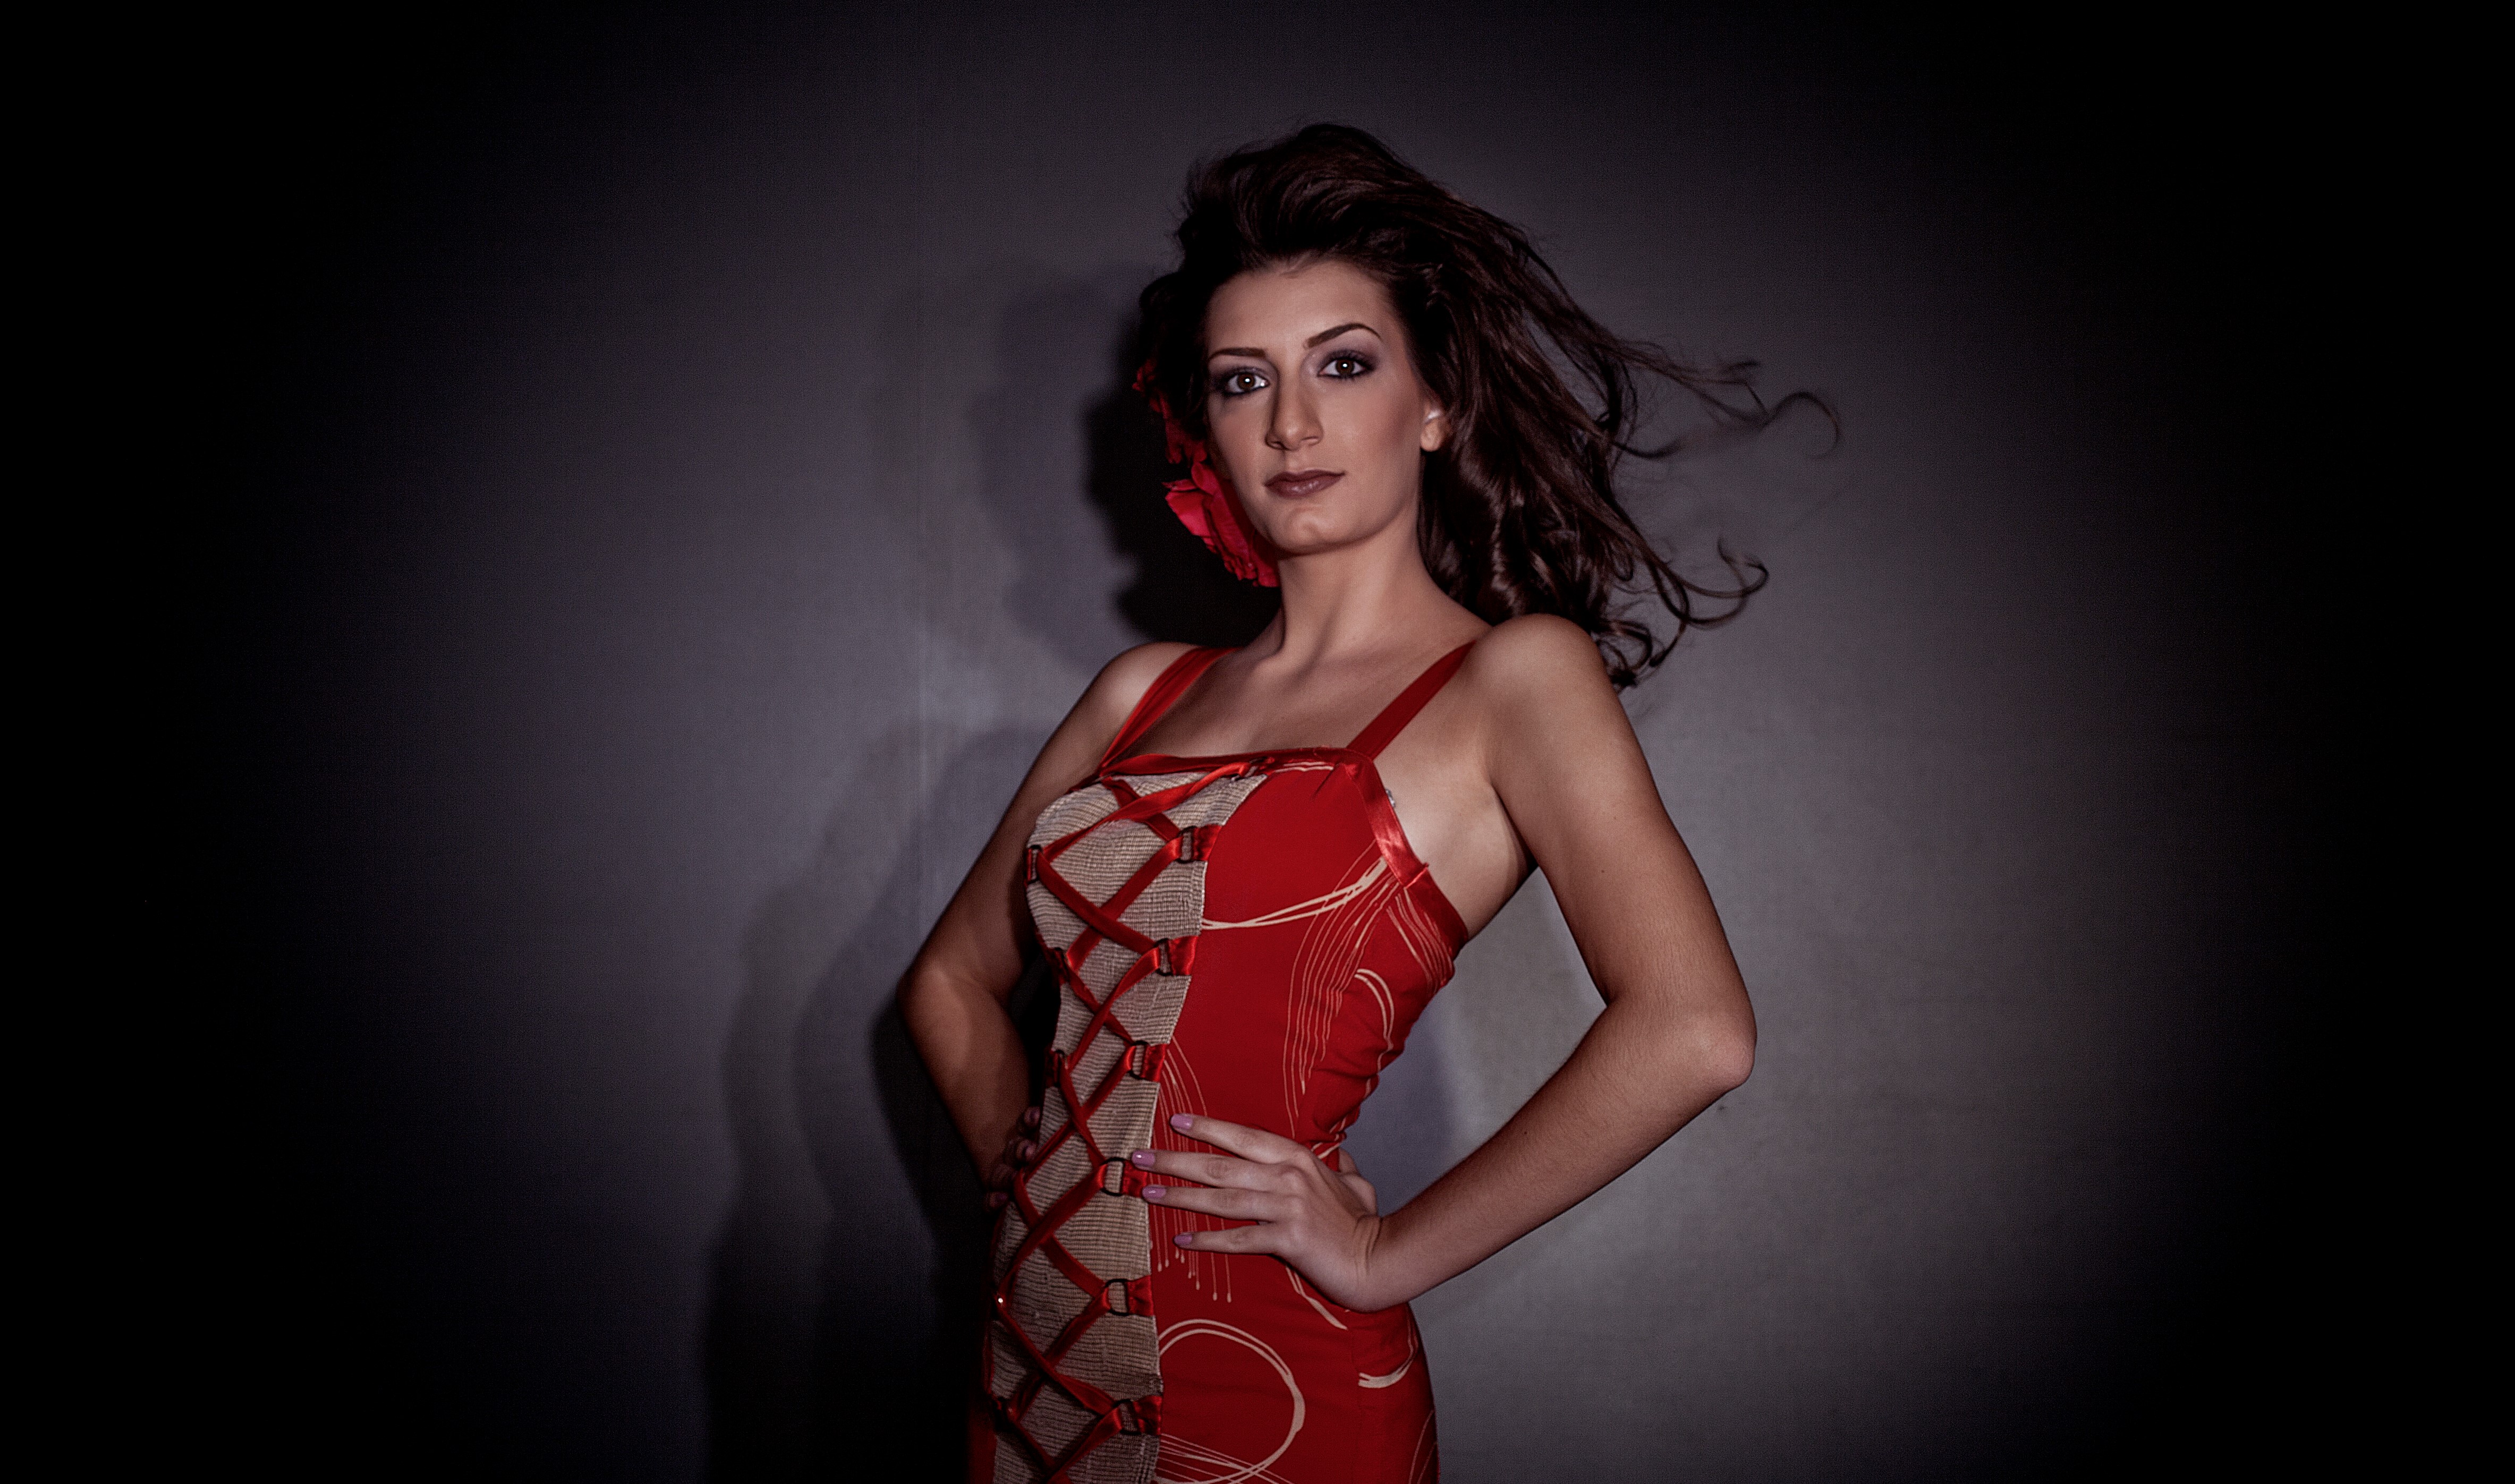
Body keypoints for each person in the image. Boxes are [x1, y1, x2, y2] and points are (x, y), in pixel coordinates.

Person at [901, 124, 1800, 1484]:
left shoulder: (1513, 679)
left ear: (1434, 401)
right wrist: (1042, 1187)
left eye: (1343, 363)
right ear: (1205, 427)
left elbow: (1695, 1028)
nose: (1291, 423)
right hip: (1031, 1369)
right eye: (1243, 380)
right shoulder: (1140, 691)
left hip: (1283, 1379)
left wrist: (1383, 1250)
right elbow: (950, 982)